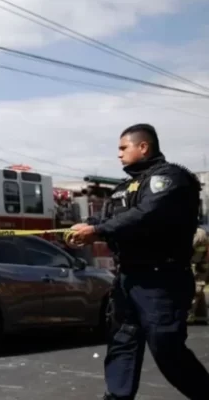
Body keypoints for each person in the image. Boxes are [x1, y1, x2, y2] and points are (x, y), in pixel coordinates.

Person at [68, 123, 209, 400]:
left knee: (166, 347)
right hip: (127, 279)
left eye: (124, 147)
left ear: (143, 147)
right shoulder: (123, 188)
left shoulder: (170, 178)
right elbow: (110, 220)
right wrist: (86, 226)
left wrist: (97, 230)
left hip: (161, 279)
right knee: (122, 343)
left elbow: (147, 214)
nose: (118, 154)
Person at [190, 227, 208, 324]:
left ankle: (190, 314)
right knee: (198, 291)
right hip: (196, 263)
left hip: (199, 264)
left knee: (196, 289)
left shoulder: (199, 234)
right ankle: (200, 316)